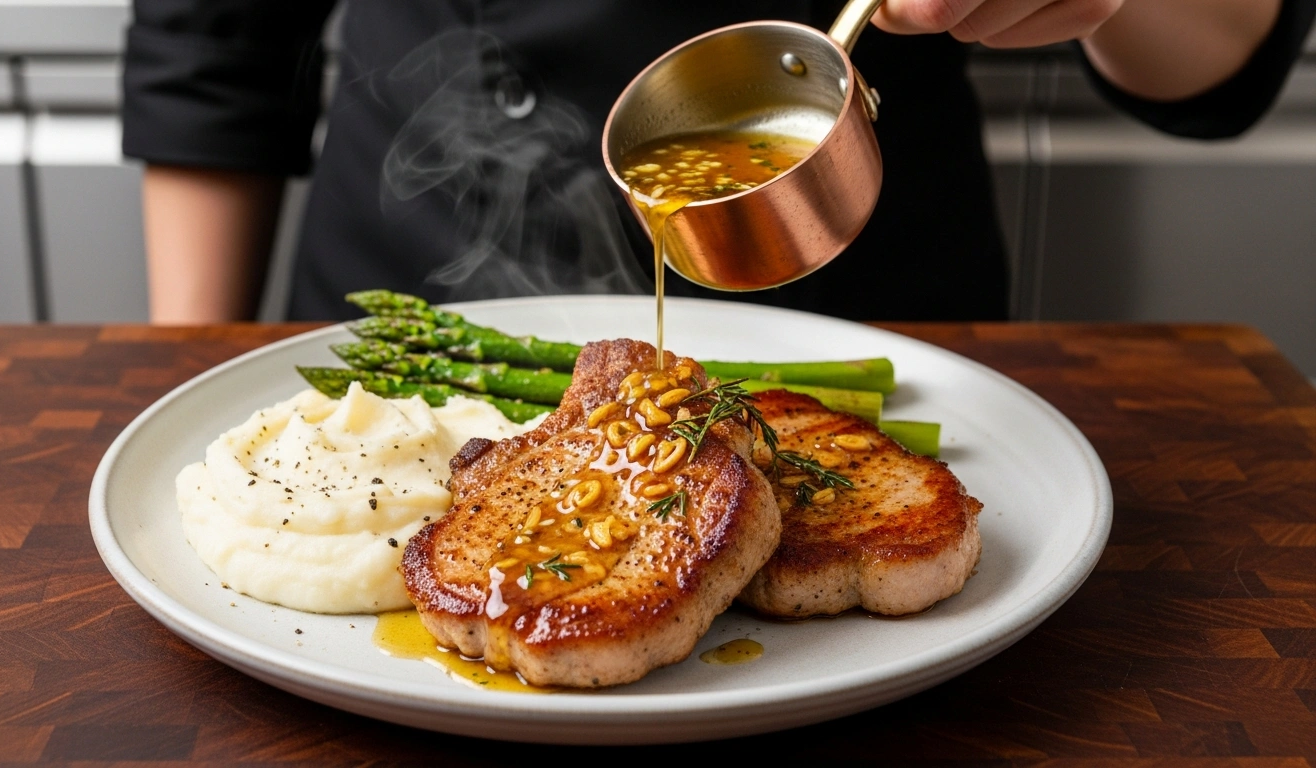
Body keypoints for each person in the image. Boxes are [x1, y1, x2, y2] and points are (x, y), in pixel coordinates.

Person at [123, 0, 1313, 324]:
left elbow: (1227, 65)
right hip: (397, 300)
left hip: (879, 313)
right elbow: (212, 37)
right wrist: (191, 383)